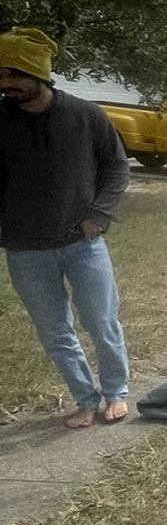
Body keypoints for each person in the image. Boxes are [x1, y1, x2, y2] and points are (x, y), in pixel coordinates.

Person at [0, 27, 132, 428]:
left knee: (100, 321)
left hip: (81, 242)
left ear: (39, 73)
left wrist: (98, 216)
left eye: (14, 74)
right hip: (25, 249)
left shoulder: (85, 116)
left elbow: (117, 166)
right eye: (0, 76)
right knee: (55, 332)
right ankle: (85, 399)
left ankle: (116, 393)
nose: (6, 84)